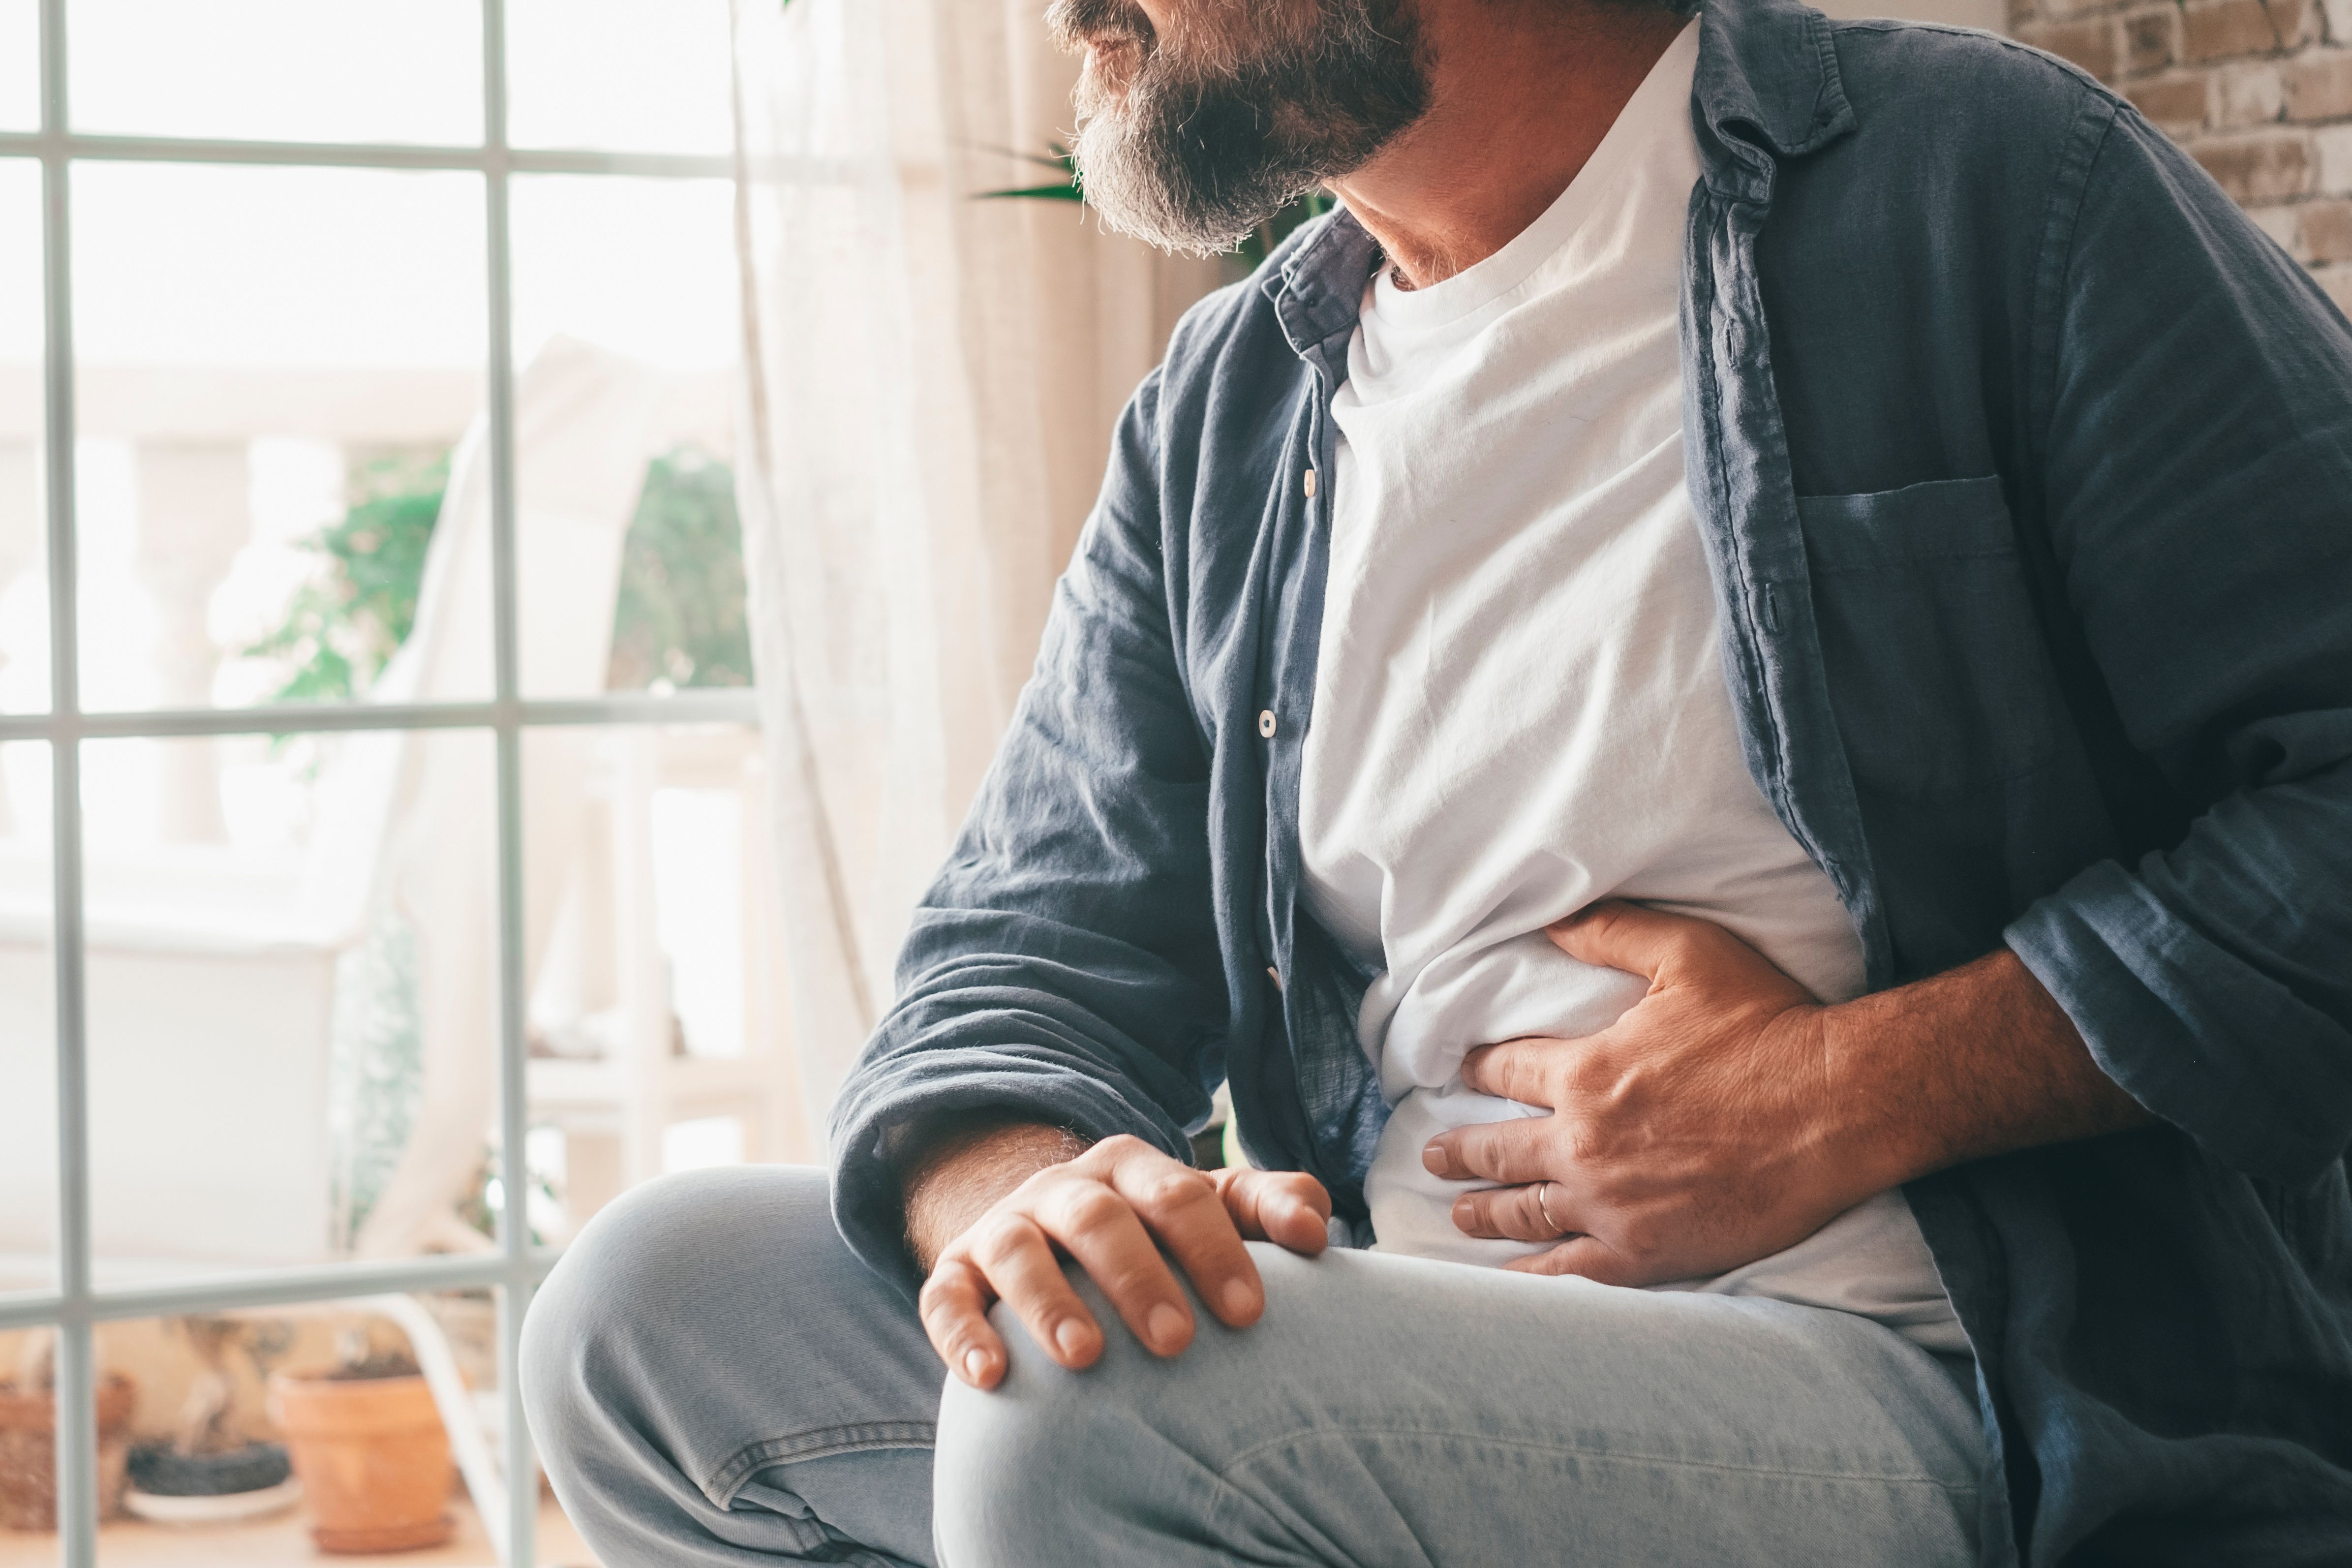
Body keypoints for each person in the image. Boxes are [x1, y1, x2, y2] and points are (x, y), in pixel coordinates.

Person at [519, 0, 2352, 1561]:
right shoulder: (1230, 415)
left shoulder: (1994, 195)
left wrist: (1849, 1092)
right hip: (1387, 1347)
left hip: (1950, 1386)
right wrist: (1023, 1193)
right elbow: (1019, 948)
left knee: (1104, 1423)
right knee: (650, 1309)